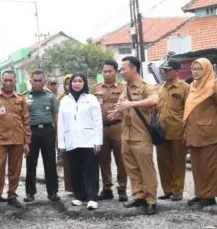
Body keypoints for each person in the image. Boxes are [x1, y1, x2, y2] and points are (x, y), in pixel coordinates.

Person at [109, 56, 159, 215]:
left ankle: (151, 200)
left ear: (134, 69)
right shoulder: (125, 89)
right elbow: (123, 107)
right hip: (127, 135)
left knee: (146, 169)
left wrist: (131, 104)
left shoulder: (146, 87)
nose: (121, 72)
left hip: (141, 136)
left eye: (124, 69)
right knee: (132, 168)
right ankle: (139, 196)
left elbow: (154, 100)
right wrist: (118, 112)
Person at [184, 59, 217, 208]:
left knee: (210, 165)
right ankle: (200, 194)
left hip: (209, 132)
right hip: (194, 131)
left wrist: (215, 122)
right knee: (197, 165)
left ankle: (209, 196)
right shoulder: (193, 86)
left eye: (199, 69)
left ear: (207, 70)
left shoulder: (215, 86)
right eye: (194, 69)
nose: (195, 71)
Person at [0, 70, 30, 212]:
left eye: (11, 80)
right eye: (6, 80)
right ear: (1, 80)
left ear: (14, 81)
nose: (8, 83)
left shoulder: (20, 99)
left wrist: (26, 142)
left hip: (17, 140)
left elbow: (26, 121)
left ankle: (12, 196)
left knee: (15, 169)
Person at [57, 74, 103, 210]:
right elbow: (61, 123)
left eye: (80, 81)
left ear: (85, 83)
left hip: (89, 140)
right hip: (72, 141)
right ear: (70, 84)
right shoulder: (65, 100)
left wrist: (98, 141)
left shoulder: (91, 98)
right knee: (75, 170)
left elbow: (97, 121)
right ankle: (79, 196)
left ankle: (92, 197)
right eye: (74, 81)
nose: (77, 84)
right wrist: (61, 143)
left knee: (91, 170)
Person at [94, 60, 128, 202]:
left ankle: (122, 188)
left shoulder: (123, 87)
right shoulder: (96, 88)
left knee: (121, 158)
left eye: (109, 71)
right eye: (104, 71)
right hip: (101, 127)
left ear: (116, 72)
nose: (106, 74)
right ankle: (107, 188)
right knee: (103, 159)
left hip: (117, 126)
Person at [155, 59, 190, 201]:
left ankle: (177, 190)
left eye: (168, 70)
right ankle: (167, 189)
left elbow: (189, 110)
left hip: (177, 130)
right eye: (163, 70)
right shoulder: (159, 88)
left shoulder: (185, 88)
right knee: (163, 162)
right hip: (161, 131)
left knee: (178, 162)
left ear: (176, 71)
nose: (164, 72)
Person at [24, 70, 60, 202]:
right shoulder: (24, 97)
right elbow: (23, 119)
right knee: (30, 163)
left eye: (40, 80)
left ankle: (53, 192)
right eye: (35, 80)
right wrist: (25, 138)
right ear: (31, 81)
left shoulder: (50, 96)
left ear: (44, 81)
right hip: (31, 132)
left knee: (50, 162)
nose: (38, 83)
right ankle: (30, 193)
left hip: (47, 131)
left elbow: (55, 116)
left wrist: (58, 136)